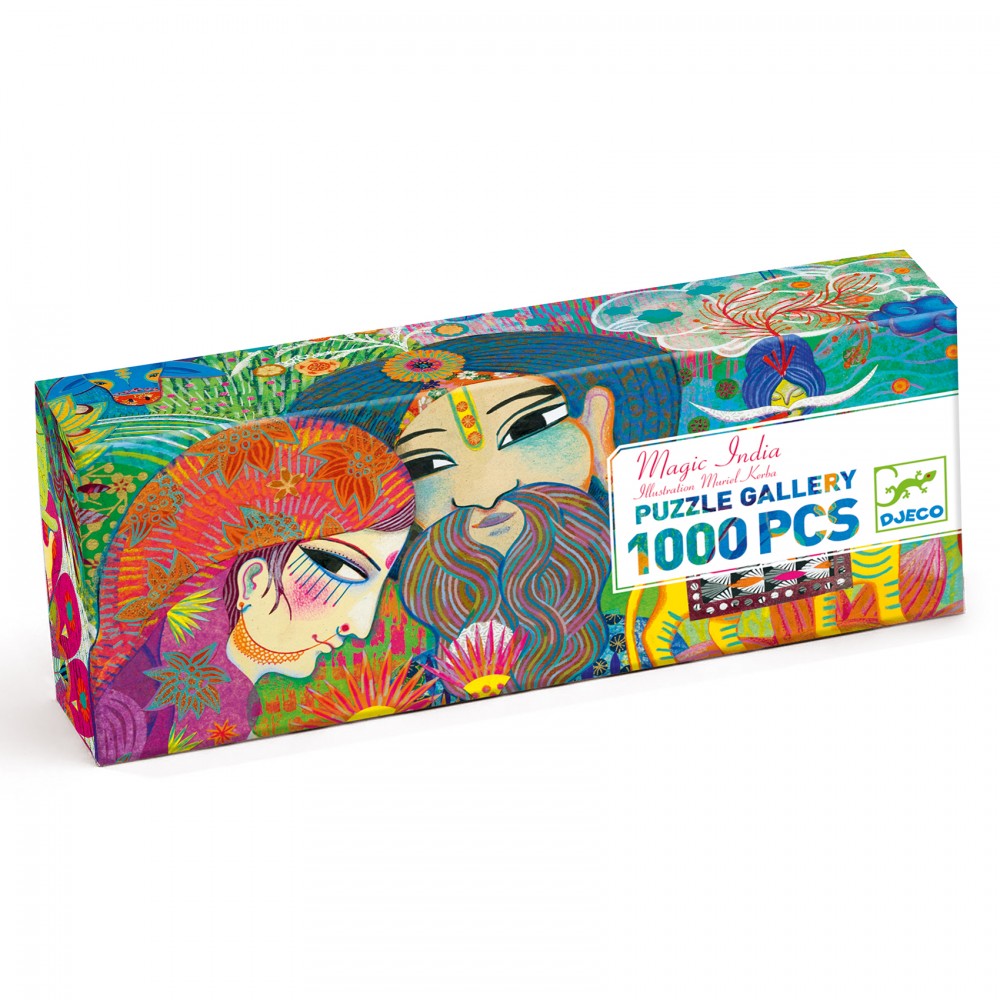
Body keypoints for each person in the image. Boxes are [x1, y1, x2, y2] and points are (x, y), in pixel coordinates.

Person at [290, 330, 682, 691]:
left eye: (526, 428)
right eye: (427, 465)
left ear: (597, 430)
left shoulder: (660, 619)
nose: (484, 493)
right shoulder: (422, 685)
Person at [89, 415, 415, 763]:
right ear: (253, 581)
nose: (362, 626)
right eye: (340, 568)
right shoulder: (127, 724)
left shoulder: (232, 718)